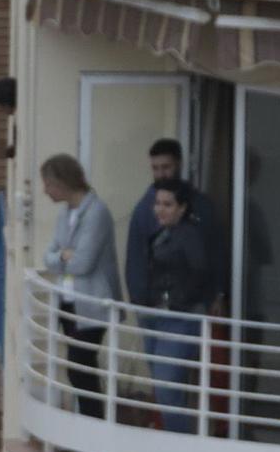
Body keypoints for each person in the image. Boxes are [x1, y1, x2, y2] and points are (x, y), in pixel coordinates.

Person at [39, 153, 119, 419]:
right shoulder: (65, 215)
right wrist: (63, 255)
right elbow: (48, 256)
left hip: (92, 304)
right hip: (68, 301)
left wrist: (61, 256)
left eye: (48, 184)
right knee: (76, 369)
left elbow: (83, 263)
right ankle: (87, 430)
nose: (45, 190)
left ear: (62, 182)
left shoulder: (96, 213)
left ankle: (93, 431)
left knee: (80, 367)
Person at [124, 137, 225, 318]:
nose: (161, 174)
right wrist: (138, 299)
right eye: (155, 168)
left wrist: (217, 293)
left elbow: (214, 252)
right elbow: (136, 256)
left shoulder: (201, 205)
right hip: (152, 304)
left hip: (190, 306)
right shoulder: (143, 209)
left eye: (166, 167)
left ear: (178, 164)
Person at [140, 178, 210, 435]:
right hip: (157, 316)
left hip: (179, 318)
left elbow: (199, 273)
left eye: (167, 204)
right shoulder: (162, 234)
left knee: (169, 385)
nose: (160, 209)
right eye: (157, 203)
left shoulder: (189, 235)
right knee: (163, 388)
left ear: (182, 208)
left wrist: (175, 301)